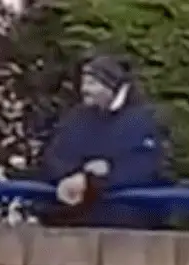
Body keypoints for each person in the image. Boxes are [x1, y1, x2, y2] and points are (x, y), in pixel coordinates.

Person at [40, 54, 171, 229]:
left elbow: (146, 168)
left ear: (112, 86)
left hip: (129, 230)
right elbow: (53, 157)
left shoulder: (145, 120)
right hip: (75, 225)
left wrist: (98, 178)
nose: (85, 89)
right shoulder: (75, 118)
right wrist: (74, 176)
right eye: (84, 83)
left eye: (92, 83)